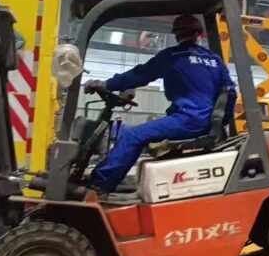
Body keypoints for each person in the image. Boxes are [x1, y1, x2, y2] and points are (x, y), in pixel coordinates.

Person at [86, 14, 236, 193]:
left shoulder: (172, 56)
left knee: (131, 136)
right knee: (139, 134)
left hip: (187, 120)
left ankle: (99, 185)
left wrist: (106, 84)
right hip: (205, 121)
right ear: (199, 35)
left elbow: (139, 75)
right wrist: (221, 121)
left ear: (177, 35)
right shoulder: (215, 60)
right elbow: (231, 92)